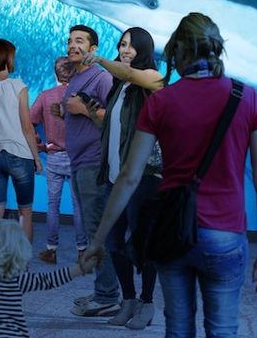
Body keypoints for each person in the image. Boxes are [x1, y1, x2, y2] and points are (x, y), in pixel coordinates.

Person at [81, 13, 257, 338]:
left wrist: (99, 239)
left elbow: (130, 175)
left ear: (176, 52)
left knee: (178, 328)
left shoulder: (162, 100)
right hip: (226, 235)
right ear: (216, 49)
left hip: (175, 233)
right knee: (223, 329)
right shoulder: (248, 98)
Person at [83, 27, 164, 329]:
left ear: (144, 49)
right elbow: (116, 130)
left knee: (143, 246)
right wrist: (94, 117)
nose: (125, 50)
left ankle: (147, 302)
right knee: (114, 243)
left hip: (144, 177)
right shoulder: (121, 87)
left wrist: (100, 59)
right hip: (115, 177)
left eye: (131, 46)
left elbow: (132, 75)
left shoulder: (154, 79)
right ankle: (128, 300)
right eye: (121, 45)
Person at [58, 25, 117, 317]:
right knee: (92, 229)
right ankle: (102, 290)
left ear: (93, 49)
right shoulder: (78, 77)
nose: (72, 46)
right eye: (70, 41)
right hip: (79, 162)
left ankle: (108, 296)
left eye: (79, 41)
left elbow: (114, 119)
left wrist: (85, 111)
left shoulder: (102, 77)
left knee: (97, 232)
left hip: (94, 164)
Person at [0, 39, 42, 241]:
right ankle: (23, 265)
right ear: (9, 58)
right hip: (19, 155)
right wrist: (36, 159)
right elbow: (27, 127)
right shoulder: (18, 86)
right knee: (25, 212)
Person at [29, 56, 87, 264]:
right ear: (74, 72)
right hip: (77, 158)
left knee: (53, 206)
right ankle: (82, 251)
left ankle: (51, 250)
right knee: (79, 206)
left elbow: (29, 122)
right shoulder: (81, 97)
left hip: (54, 158)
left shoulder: (45, 96)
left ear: (55, 74)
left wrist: (40, 144)